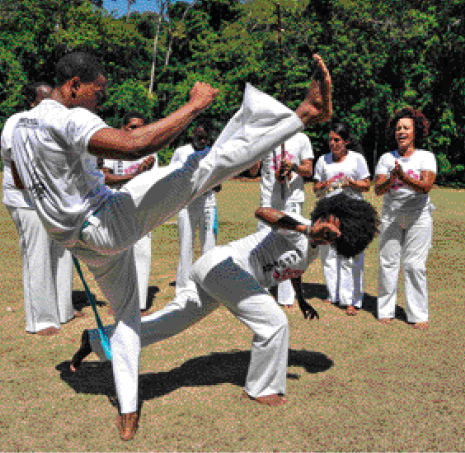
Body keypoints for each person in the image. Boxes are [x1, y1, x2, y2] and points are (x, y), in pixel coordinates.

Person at [8, 51, 332, 440]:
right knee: (201, 167)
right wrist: (193, 107)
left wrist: (70, 193)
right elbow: (132, 145)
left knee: (128, 316)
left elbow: (24, 183)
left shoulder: (14, 126)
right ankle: (305, 113)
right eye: (97, 91)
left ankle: (128, 412)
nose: (100, 100)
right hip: (106, 225)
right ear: (73, 86)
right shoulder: (68, 116)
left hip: (76, 240)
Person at [70, 193, 379, 407]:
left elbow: (291, 269)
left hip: (221, 276)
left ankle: (98, 340)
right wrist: (307, 228)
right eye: (335, 228)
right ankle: (261, 388)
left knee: (170, 321)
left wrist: (301, 299)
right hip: (224, 266)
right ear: (329, 214)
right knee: (274, 323)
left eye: (339, 238)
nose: (332, 236)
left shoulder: (312, 248)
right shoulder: (297, 224)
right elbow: (263, 213)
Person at [1, 82, 78, 336]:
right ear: (32, 101)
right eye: (44, 98)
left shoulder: (52, 121)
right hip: (25, 201)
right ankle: (41, 320)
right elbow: (18, 167)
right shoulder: (17, 122)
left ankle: (63, 310)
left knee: (62, 252)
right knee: (38, 255)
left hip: (51, 200)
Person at [373, 107, 437, 330]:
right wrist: (392, 178)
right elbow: (378, 190)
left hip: (418, 217)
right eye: (398, 128)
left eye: (406, 128)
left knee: (413, 265)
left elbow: (426, 186)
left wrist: (403, 177)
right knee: (388, 262)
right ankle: (385, 310)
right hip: (391, 216)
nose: (401, 131)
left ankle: (418, 314)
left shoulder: (426, 157)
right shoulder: (386, 158)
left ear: (415, 132)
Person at [99, 112, 157, 312]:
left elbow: (153, 181)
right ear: (123, 129)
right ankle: (118, 302)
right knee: (117, 256)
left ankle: (139, 304)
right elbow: (104, 177)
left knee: (142, 254)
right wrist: (134, 174)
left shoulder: (151, 151)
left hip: (142, 208)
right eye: (132, 127)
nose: (137, 131)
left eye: (141, 126)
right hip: (115, 206)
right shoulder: (112, 149)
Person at [248, 132, 314, 308]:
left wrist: (293, 167)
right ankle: (262, 291)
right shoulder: (266, 136)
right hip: (268, 200)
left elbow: (309, 170)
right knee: (263, 246)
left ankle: (286, 297)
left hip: (292, 200)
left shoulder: (301, 138)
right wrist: (256, 153)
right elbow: (253, 171)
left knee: (290, 247)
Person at [313, 124, 371, 316]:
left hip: (352, 212)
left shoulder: (357, 159)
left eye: (337, 140)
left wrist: (351, 182)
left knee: (350, 256)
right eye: (330, 139)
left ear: (346, 142)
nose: (332, 143)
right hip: (328, 211)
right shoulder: (323, 160)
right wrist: (326, 184)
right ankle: (333, 295)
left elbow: (366, 185)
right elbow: (316, 189)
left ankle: (351, 300)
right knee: (328, 255)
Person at [171, 120, 221, 295]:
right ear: (193, 134)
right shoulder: (181, 152)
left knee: (209, 246)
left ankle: (208, 286)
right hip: (186, 205)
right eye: (199, 137)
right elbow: (173, 176)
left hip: (208, 203)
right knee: (186, 245)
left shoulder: (213, 153)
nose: (202, 141)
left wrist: (212, 184)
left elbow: (218, 184)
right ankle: (183, 287)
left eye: (205, 139)